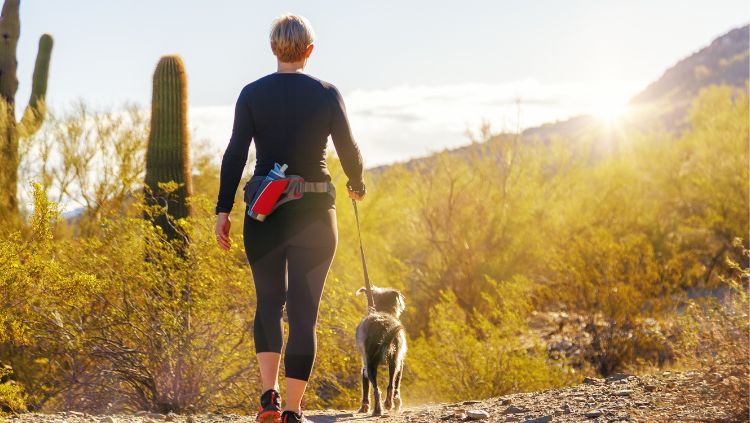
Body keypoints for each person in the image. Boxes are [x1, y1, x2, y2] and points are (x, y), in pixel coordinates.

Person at [214, 13, 366, 423]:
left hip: (264, 213)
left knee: (267, 305)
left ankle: (269, 398)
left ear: (273, 48)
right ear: (310, 50)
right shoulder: (327, 93)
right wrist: (357, 183)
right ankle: (294, 412)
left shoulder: (251, 94)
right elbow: (349, 148)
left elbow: (234, 154)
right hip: (316, 213)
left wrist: (223, 210)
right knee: (303, 313)